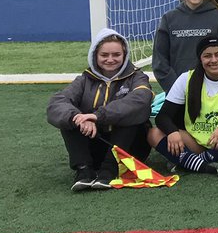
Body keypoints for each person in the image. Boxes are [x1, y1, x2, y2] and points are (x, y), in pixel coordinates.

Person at [47, 28, 153, 191]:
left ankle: (110, 170)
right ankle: (84, 170)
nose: (110, 59)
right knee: (70, 117)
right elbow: (56, 103)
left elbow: (141, 99)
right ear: (95, 55)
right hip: (96, 144)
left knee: (131, 116)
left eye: (116, 55)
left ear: (124, 55)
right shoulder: (84, 80)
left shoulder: (137, 77)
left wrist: (97, 116)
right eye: (104, 55)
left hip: (130, 148)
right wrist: (79, 118)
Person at [148, 36, 218, 175]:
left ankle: (191, 162)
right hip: (194, 141)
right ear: (200, 58)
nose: (214, 60)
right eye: (207, 56)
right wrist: (172, 132)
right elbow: (163, 116)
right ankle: (206, 166)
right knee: (154, 133)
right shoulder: (186, 78)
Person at [153, 0, 218, 92]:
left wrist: (213, 86)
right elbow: (160, 61)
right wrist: (176, 88)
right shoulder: (169, 19)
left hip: (211, 91)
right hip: (177, 92)